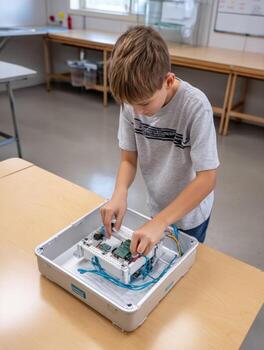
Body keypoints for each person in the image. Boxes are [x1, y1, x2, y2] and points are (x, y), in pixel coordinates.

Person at [100, 26, 219, 256]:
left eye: (144, 104)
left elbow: (208, 178)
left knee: (181, 266)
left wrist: (163, 221)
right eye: (131, 105)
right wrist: (119, 193)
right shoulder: (132, 103)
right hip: (158, 206)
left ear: (168, 80)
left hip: (190, 213)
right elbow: (128, 158)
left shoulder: (195, 107)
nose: (138, 112)